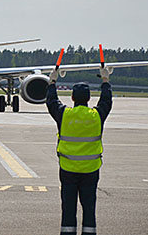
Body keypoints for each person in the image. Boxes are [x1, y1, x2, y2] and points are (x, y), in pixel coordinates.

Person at [46, 67, 112, 235]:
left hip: (68, 170)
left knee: (68, 209)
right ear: (89, 98)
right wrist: (105, 81)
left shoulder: (65, 114)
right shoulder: (96, 115)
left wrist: (52, 82)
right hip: (90, 170)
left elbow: (52, 102)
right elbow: (106, 102)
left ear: (72, 97)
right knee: (89, 209)